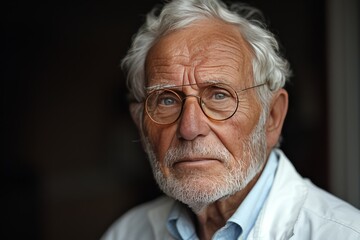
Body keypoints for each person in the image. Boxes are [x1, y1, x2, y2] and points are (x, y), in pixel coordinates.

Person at [102, 0, 360, 239]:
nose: (190, 128)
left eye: (219, 96)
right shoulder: (125, 233)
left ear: (272, 117)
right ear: (141, 125)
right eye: (167, 100)